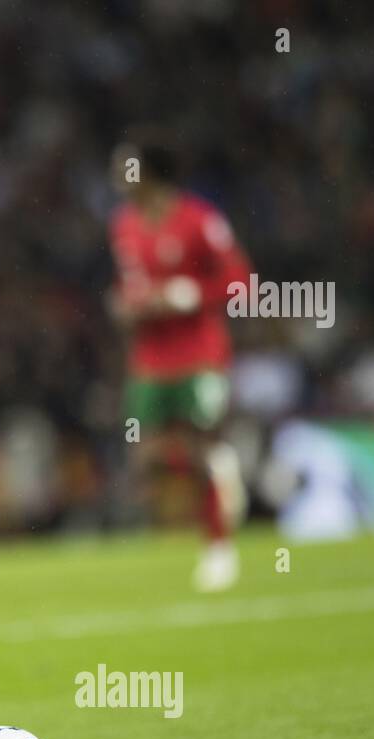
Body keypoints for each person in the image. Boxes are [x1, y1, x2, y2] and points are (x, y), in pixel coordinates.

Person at [107, 136, 250, 592]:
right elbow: (132, 285)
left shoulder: (199, 221)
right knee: (148, 456)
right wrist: (127, 305)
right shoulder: (123, 225)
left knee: (201, 443)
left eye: (125, 167)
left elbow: (241, 284)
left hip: (198, 355)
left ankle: (219, 549)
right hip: (149, 360)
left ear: (150, 172)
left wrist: (189, 294)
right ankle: (220, 473)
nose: (117, 177)